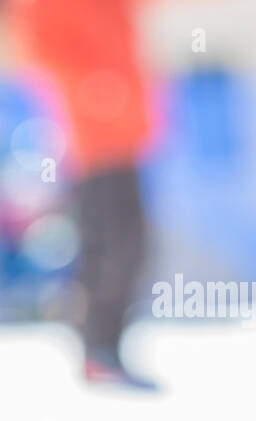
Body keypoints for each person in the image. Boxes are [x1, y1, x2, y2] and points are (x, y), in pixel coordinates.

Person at [7, 0, 159, 390]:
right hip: (94, 137)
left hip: (125, 134)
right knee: (114, 247)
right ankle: (98, 348)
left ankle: (101, 345)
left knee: (132, 246)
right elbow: (41, 44)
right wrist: (93, 87)